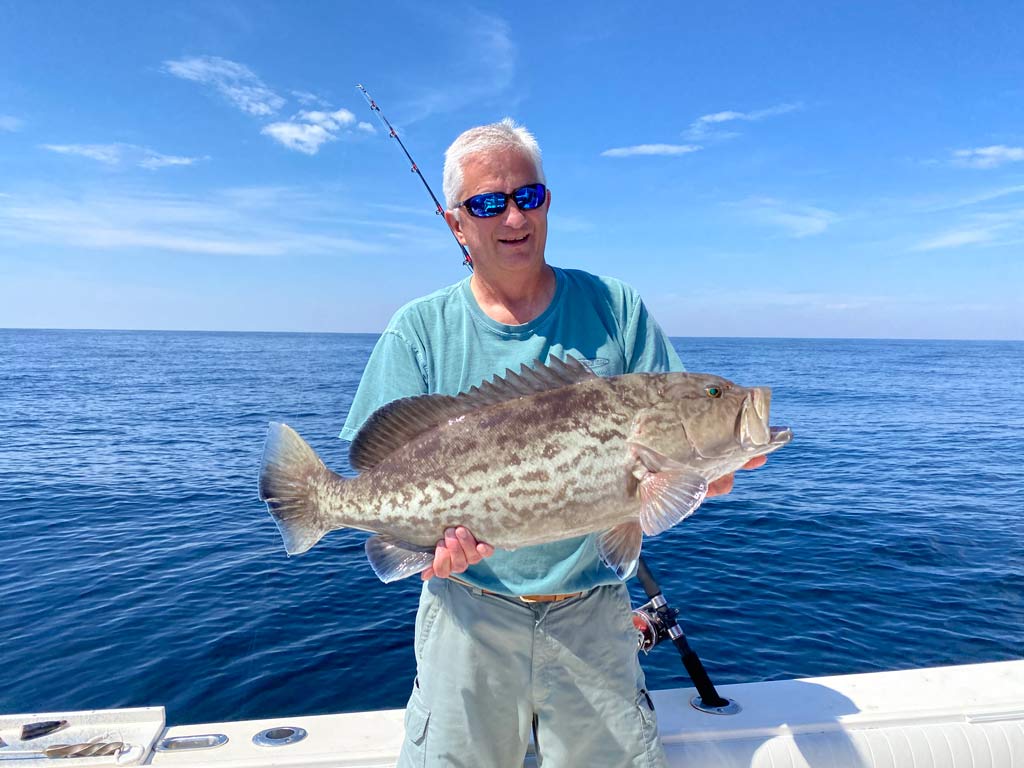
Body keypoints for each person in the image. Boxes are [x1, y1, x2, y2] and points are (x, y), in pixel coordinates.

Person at [340, 119, 764, 768]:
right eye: (487, 204)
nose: (512, 216)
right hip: (466, 620)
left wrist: (716, 463)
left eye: (527, 197)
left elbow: (694, 480)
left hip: (594, 616)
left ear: (547, 202)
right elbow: (379, 468)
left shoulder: (615, 309)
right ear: (457, 225)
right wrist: (434, 553)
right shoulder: (417, 331)